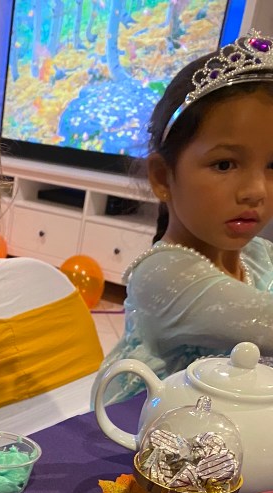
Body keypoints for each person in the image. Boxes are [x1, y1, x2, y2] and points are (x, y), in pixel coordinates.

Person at [95, 31, 273, 405]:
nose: (256, 190)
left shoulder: (261, 257)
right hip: (146, 445)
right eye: (225, 164)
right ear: (162, 177)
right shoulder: (164, 274)